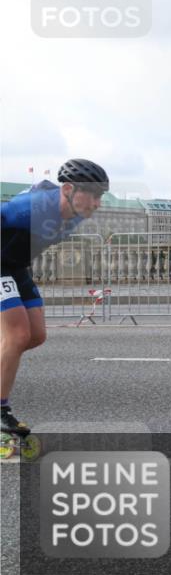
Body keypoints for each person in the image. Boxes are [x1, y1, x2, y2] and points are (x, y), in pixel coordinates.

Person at [1, 159, 108, 444]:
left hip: (15, 266)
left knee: (35, 335)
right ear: (69, 190)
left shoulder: (76, 215)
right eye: (93, 195)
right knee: (18, 334)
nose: (98, 203)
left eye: (101, 196)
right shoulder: (30, 208)